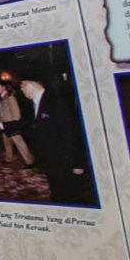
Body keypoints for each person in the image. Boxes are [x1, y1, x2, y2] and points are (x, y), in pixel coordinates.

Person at [18, 73, 92, 205]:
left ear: (34, 84)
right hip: (52, 161)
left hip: (65, 162)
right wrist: (1, 125)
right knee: (58, 193)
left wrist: (77, 164)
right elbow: (27, 124)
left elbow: (71, 133)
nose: (21, 88)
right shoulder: (36, 104)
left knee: (72, 197)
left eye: (23, 85)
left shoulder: (55, 102)